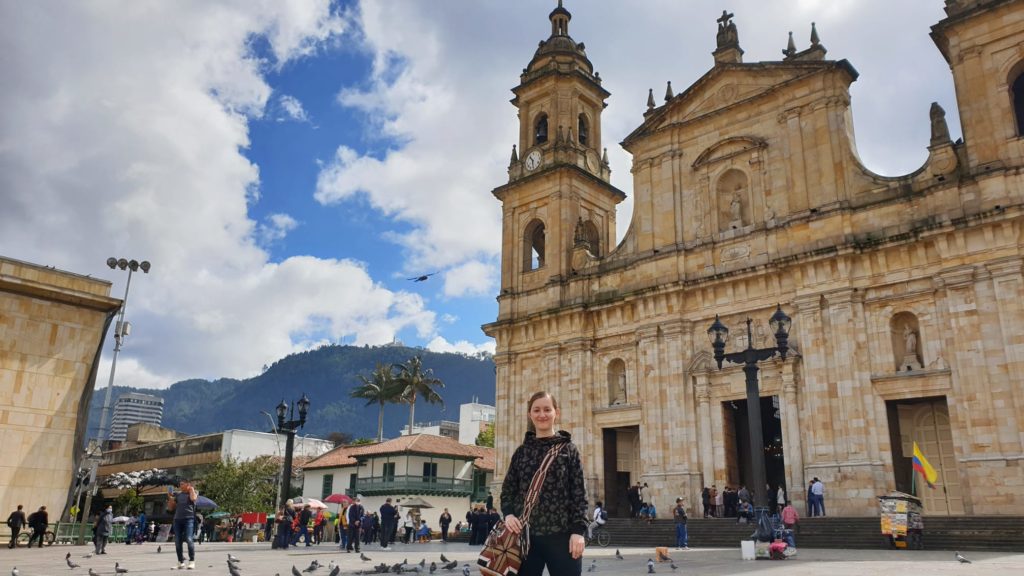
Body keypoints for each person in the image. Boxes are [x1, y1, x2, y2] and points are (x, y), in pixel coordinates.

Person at [501, 391, 588, 576]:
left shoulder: (569, 450)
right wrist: (508, 515)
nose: (542, 415)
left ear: (556, 412)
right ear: (529, 414)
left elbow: (579, 493)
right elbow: (508, 490)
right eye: (537, 410)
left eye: (547, 409)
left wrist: (578, 531)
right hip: (525, 539)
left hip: (563, 538)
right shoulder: (521, 452)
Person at [169, 479, 198, 569]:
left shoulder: (194, 492)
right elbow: (171, 508)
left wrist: (191, 489)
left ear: (187, 484)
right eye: (180, 484)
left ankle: (192, 561)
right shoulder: (178, 495)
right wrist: (170, 498)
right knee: (177, 541)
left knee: (189, 539)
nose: (180, 486)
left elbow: (193, 498)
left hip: (189, 519)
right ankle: (180, 562)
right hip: (177, 520)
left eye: (182, 484)